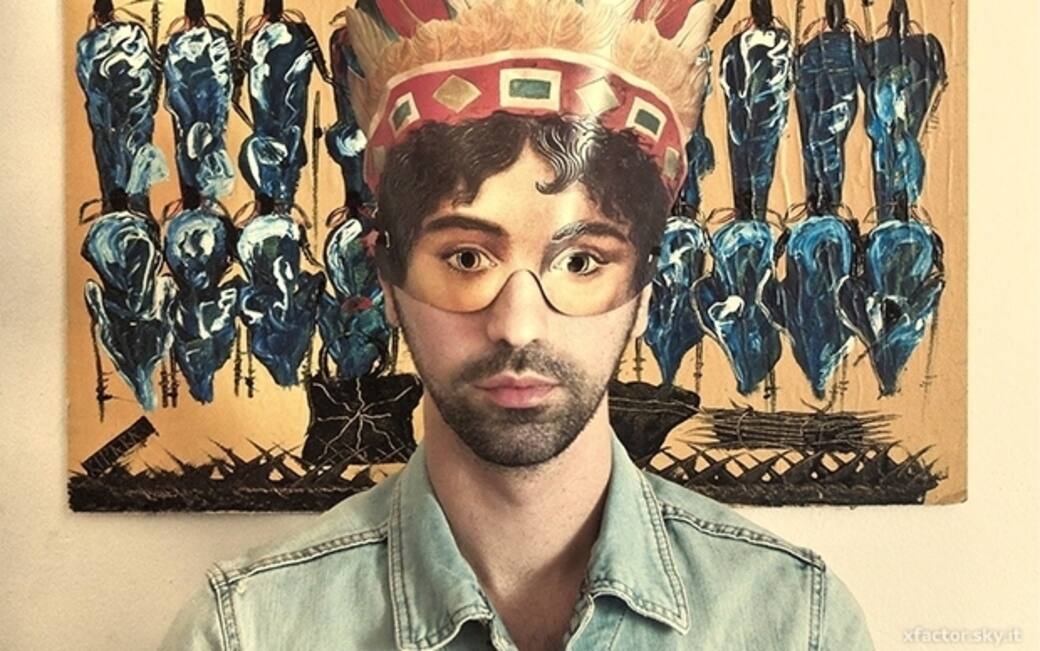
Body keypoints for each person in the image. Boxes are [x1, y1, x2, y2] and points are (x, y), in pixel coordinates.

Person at [163, 1, 874, 649]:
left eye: (581, 261)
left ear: (645, 288)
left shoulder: (796, 625)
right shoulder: (245, 632)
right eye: (468, 258)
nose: (518, 324)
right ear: (389, 282)